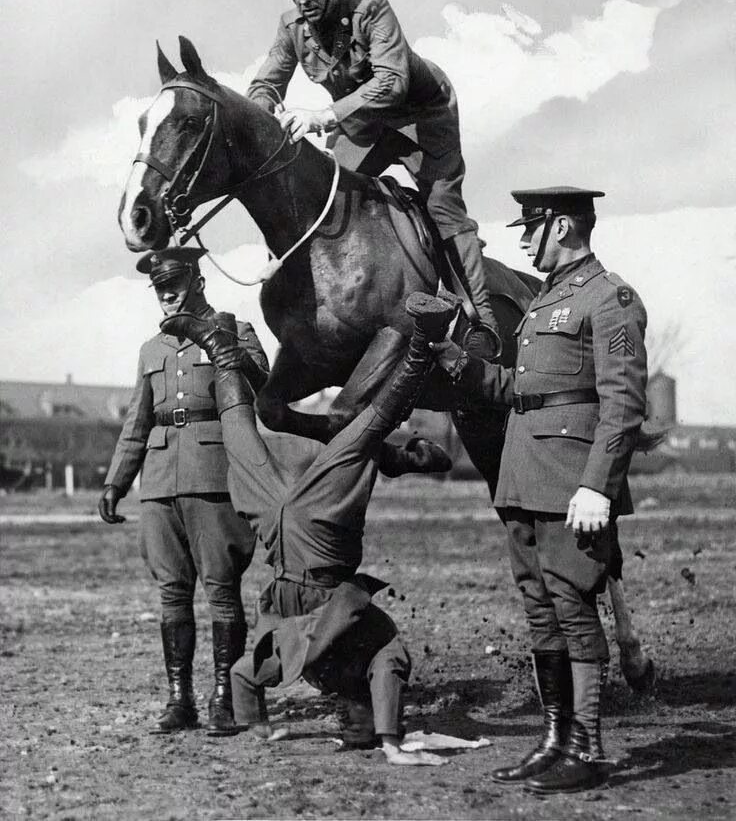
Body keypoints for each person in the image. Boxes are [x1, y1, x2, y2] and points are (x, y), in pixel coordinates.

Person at [159, 291, 462, 765]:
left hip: (282, 544)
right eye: (352, 722)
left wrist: (261, 730)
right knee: (363, 432)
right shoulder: (371, 646)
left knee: (239, 441)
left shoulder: (303, 659)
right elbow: (392, 663)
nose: (341, 721)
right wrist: (390, 743)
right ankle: (423, 341)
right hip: (322, 535)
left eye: (345, 728)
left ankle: (221, 353)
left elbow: (242, 675)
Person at [430, 186, 649, 794]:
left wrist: (598, 487)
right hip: (523, 474)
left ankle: (590, 747)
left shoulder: (611, 299)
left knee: (575, 609)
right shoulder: (542, 303)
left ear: (564, 227)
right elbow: (512, 390)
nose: (524, 239)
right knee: (540, 608)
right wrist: (451, 358)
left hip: (570, 481)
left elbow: (624, 404)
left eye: (532, 227)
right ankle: (555, 738)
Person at [246, 0, 500, 354]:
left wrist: (322, 116)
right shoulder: (292, 27)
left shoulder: (372, 8)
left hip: (422, 113)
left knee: (441, 208)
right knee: (320, 194)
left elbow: (392, 84)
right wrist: (262, 120)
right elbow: (265, 84)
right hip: (363, 122)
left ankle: (482, 321)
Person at [99, 247, 269, 736]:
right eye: (159, 288)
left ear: (197, 280)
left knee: (220, 588)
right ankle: (180, 700)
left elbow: (267, 387)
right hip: (158, 481)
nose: (166, 294)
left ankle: (226, 699)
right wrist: (117, 480)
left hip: (213, 477)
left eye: (173, 283)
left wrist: (227, 349)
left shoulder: (233, 330)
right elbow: (136, 420)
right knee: (172, 591)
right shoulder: (152, 349)